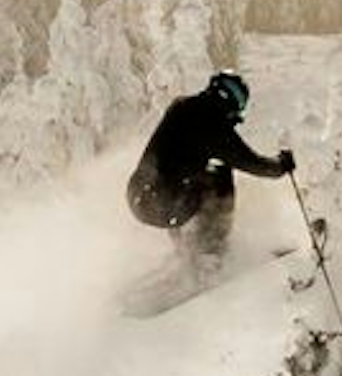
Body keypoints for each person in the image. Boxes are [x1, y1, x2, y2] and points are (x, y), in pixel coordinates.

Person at [125, 70, 292, 271]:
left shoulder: (183, 107)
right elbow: (250, 162)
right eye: (238, 110)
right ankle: (211, 254)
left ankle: (187, 250)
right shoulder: (213, 125)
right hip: (162, 202)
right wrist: (281, 165)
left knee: (187, 177)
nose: (235, 118)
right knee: (219, 175)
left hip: (140, 196)